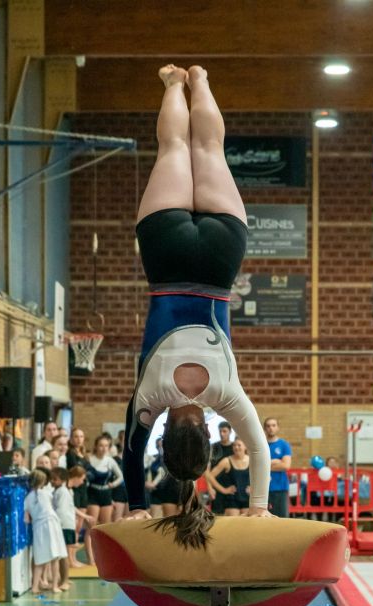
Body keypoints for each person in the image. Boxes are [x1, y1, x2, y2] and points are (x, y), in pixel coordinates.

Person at [121, 64, 271, 548]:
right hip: (165, 260)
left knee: (209, 149)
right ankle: (171, 83)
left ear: (208, 436)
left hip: (219, 263)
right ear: (165, 440)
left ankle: (202, 79)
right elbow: (131, 452)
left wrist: (259, 509)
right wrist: (138, 506)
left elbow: (260, 449)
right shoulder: (149, 400)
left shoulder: (226, 397)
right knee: (175, 148)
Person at [23, 470, 67, 593]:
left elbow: (26, 519)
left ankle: (35, 586)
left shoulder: (27, 499)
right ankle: (54, 586)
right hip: (51, 524)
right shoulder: (46, 493)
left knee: (40, 558)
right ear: (43, 482)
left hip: (38, 527)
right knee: (55, 557)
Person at [86, 434, 125, 529]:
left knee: (105, 527)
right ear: (95, 446)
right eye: (101, 445)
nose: (104, 448)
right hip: (92, 493)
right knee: (92, 527)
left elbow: (121, 476)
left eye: (106, 446)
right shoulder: (89, 459)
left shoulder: (110, 461)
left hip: (106, 494)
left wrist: (113, 484)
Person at [208, 438, 250, 515]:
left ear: (245, 446)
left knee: (247, 525)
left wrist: (254, 489)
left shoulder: (252, 461)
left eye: (239, 445)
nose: (236, 447)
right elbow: (209, 476)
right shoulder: (226, 461)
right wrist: (223, 490)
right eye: (234, 445)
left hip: (247, 498)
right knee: (233, 525)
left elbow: (265, 477)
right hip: (232, 499)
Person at [50, 468, 73, 590]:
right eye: (51, 479)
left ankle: (65, 580)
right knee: (60, 554)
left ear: (63, 480)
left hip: (64, 525)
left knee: (63, 555)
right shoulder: (57, 491)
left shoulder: (63, 492)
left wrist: (54, 522)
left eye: (55, 479)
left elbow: (61, 510)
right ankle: (63, 578)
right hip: (61, 524)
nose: (52, 481)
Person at [66, 466, 95, 567]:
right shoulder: (65, 488)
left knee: (73, 536)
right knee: (70, 538)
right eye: (82, 479)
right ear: (76, 477)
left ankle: (72, 559)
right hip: (66, 519)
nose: (82, 482)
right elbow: (70, 506)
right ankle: (70, 560)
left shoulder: (69, 489)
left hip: (68, 517)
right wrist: (85, 515)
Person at [264, 417, 292, 518]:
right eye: (268, 426)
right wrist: (274, 462)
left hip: (280, 488)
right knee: (265, 519)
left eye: (273, 425)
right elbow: (256, 465)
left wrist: (265, 466)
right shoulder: (261, 445)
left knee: (282, 518)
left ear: (278, 428)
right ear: (265, 428)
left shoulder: (284, 445)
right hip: (264, 489)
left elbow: (286, 466)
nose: (271, 428)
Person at [207, 420, 235, 513]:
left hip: (232, 486)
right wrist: (210, 488)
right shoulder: (213, 447)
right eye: (220, 431)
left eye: (224, 431)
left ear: (230, 432)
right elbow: (207, 470)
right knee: (217, 515)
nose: (222, 434)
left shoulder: (235, 447)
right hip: (216, 485)